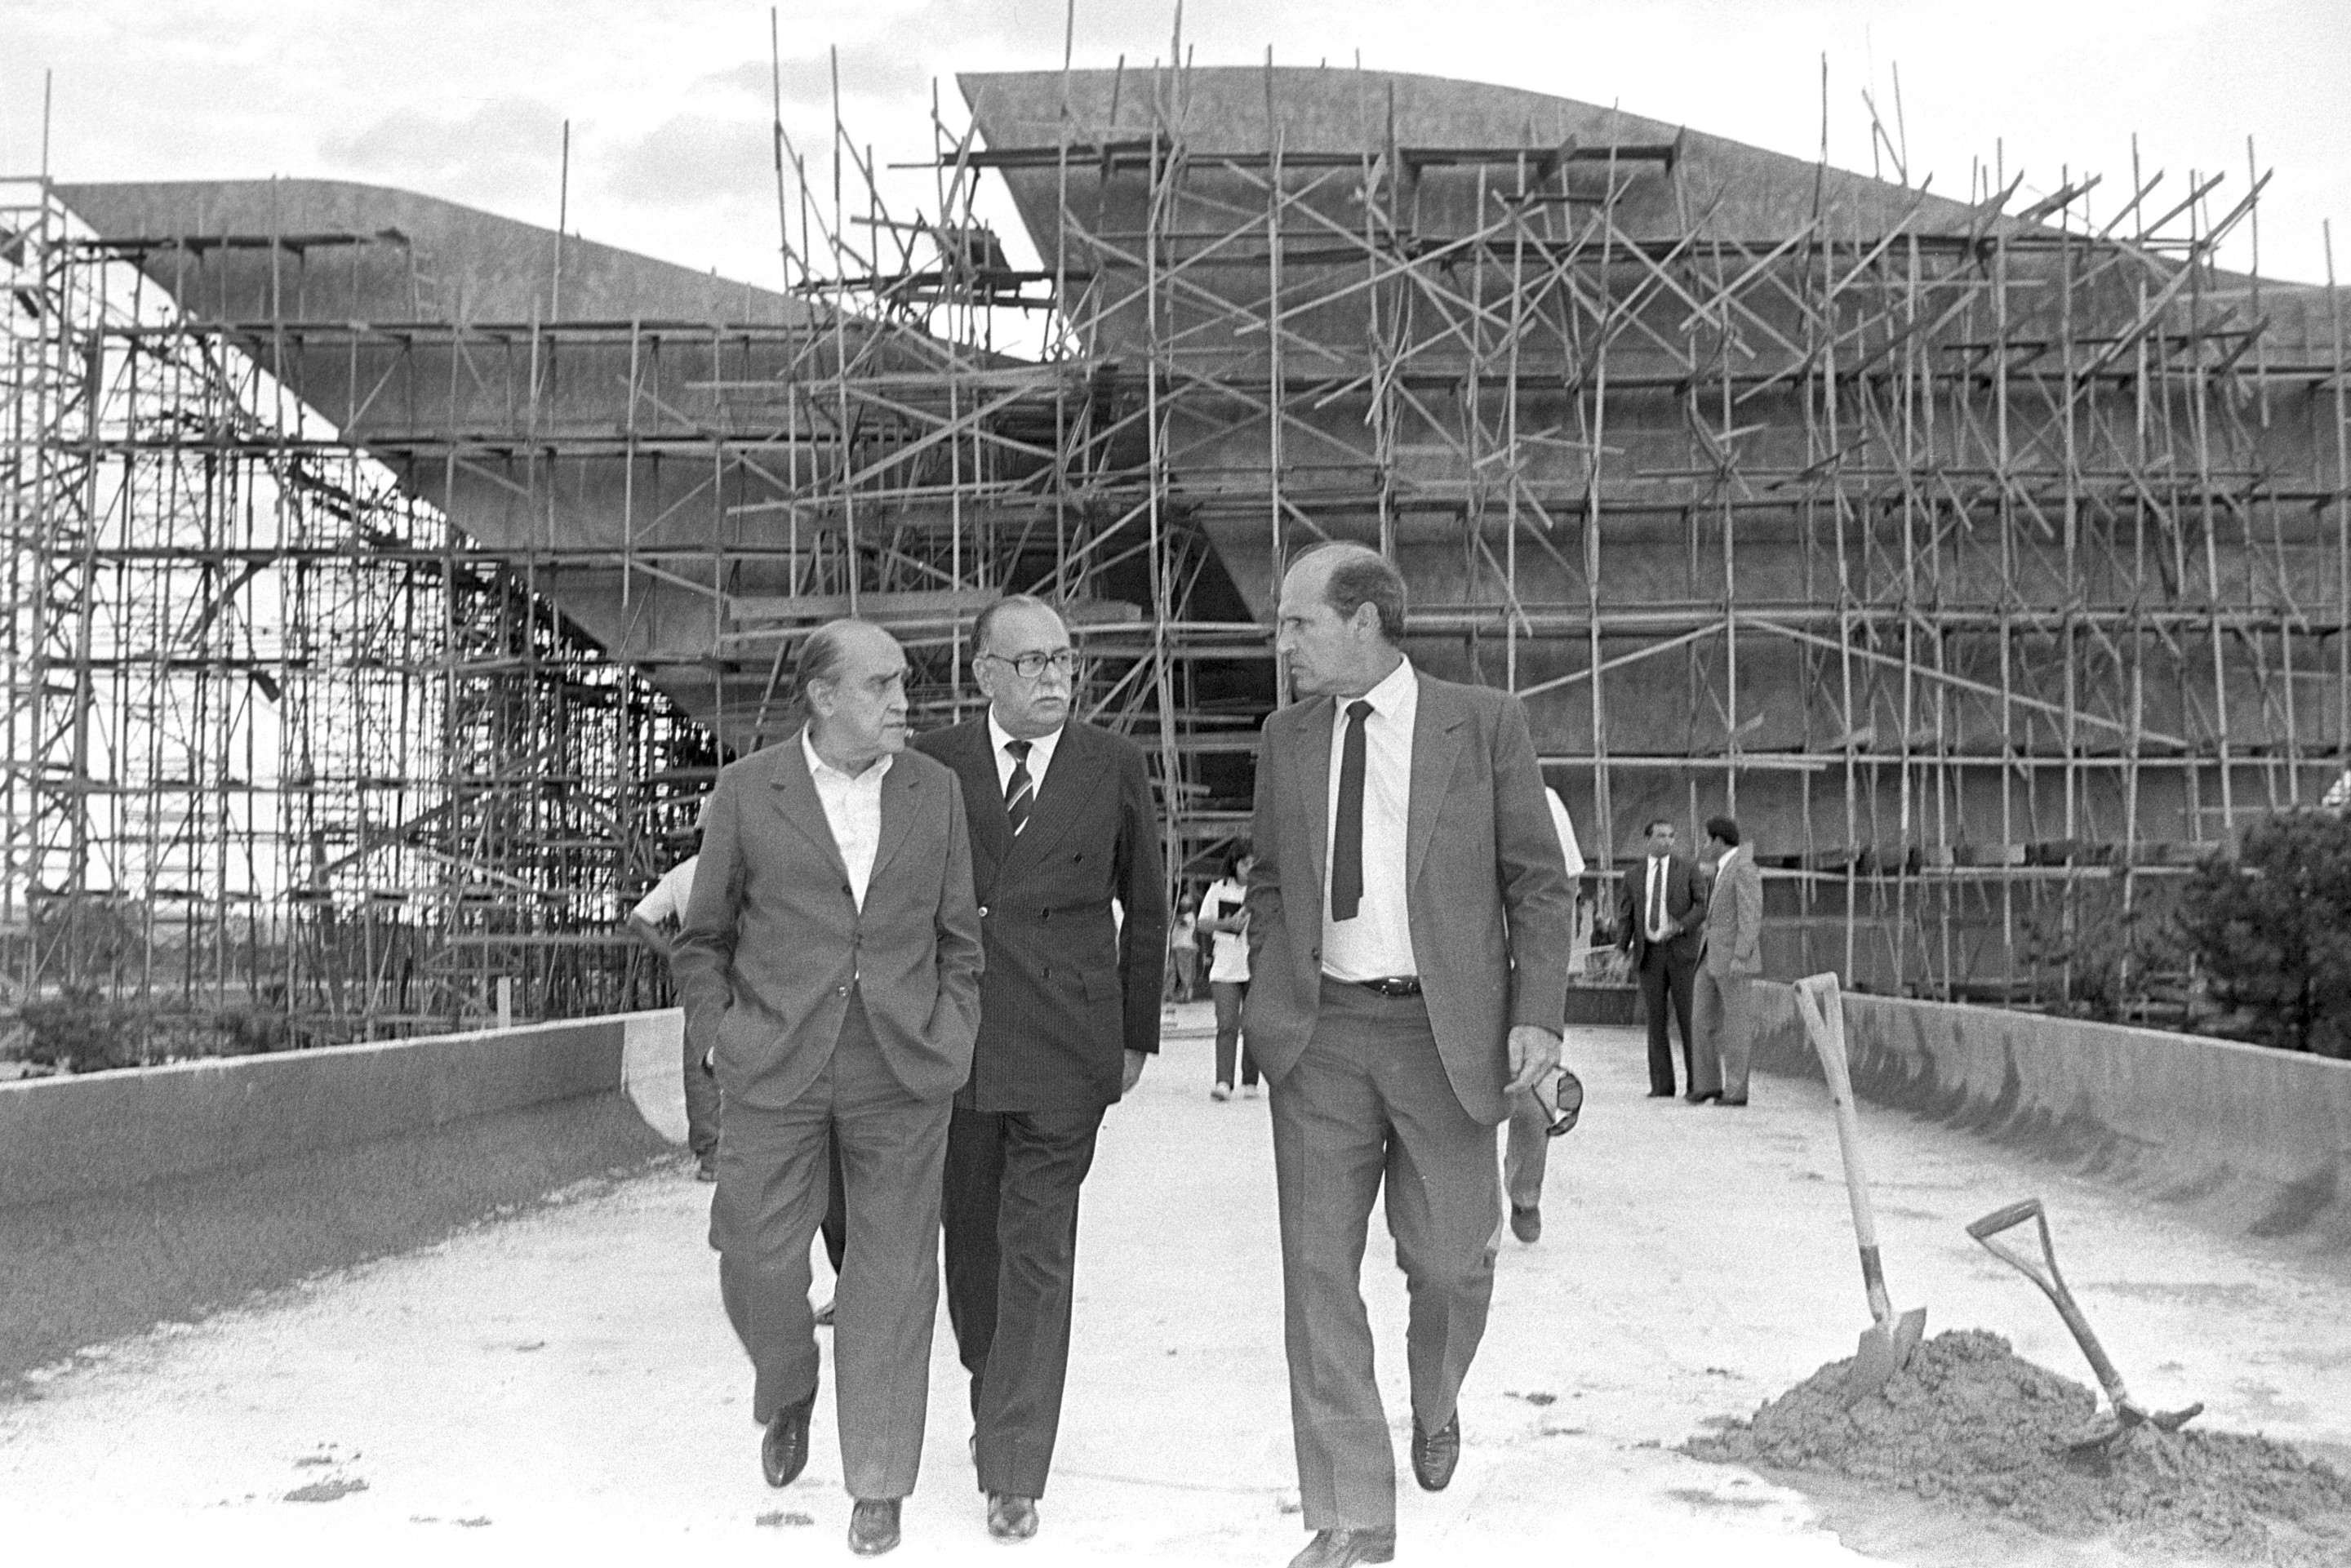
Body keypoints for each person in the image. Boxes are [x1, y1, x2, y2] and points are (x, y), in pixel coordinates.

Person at [1246, 543, 1573, 1568]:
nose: (1282, 640)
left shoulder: (1483, 724)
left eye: (1298, 621)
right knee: (1316, 1275)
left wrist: (1539, 1016)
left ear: (1365, 622)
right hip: (1322, 1036)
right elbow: (1264, 880)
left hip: (1446, 1037)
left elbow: (1539, 885)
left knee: (1446, 1262)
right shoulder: (1282, 737)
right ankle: (1353, 1515)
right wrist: (1267, 994)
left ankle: (1436, 1398)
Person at [672, 618, 984, 1560]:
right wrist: (723, 1037)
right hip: (774, 1064)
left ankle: (879, 1482)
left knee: (891, 1276)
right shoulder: (746, 790)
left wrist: (952, 1033)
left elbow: (959, 938)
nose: (904, 704)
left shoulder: (937, 791)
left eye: (902, 686)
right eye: (882, 687)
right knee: (756, 1254)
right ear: (822, 696)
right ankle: (787, 1379)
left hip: (901, 1068)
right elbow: (702, 940)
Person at [911, 594, 1167, 1546]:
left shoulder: (1112, 765)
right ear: (983, 674)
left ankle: (1015, 1469)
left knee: (1039, 1250)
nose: (1055, 678)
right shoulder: (934, 761)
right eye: (1031, 663)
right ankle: (993, 1376)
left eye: (1065, 660)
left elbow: (1146, 902)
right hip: (960, 1042)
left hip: (1067, 1044)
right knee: (971, 1248)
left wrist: (1135, 1033)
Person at [1501, 788, 1586, 1242]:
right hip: (1465, 973)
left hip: (1528, 974)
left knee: (1533, 1097)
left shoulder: (1546, 801)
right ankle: (1463, 1215)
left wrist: (1549, 976)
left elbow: (1564, 896)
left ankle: (1524, 1194)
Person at [627, 842, 719, 1180]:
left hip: (699, 972)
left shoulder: (682, 873)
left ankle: (712, 1158)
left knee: (700, 1063)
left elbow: (639, 919)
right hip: (744, 968)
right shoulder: (750, 867)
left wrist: (673, 955)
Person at [1617, 818, 1709, 1100]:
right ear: (1648, 839)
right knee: (1655, 1021)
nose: (1667, 841)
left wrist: (1680, 925)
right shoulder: (1633, 876)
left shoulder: (1688, 869)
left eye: (1671, 836)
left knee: (1688, 1019)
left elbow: (1702, 906)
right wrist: (1622, 949)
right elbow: (1627, 915)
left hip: (1681, 952)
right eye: (1660, 836)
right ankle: (1661, 1085)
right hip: (1650, 954)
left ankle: (1698, 1085)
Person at [1693, 815, 1763, 1107]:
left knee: (1736, 1026)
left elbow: (1751, 915)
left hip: (1733, 958)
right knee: (1700, 1019)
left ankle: (1736, 1090)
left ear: (1719, 841)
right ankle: (1707, 1084)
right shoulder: (1723, 868)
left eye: (1708, 840)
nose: (1705, 845)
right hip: (1710, 953)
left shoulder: (1744, 868)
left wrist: (1741, 955)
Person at [1198, 842, 1259, 1099]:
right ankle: (1224, 1081)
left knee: (1254, 1025)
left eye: (1253, 864)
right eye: (1245, 863)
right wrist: (1227, 923)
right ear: (1234, 864)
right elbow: (1202, 924)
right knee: (1227, 1025)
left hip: (1254, 964)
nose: (1249, 869)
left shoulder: (1260, 893)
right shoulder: (1217, 890)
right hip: (1225, 966)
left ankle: (1250, 1080)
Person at [1167, 899, 1200, 1004]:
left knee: (1184, 972)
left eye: (1184, 905)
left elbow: (1183, 923)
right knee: (1173, 971)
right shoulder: (1179, 916)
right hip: (1175, 946)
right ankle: (1172, 994)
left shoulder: (1190, 916)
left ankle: (1186, 995)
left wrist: (1173, 915)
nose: (1182, 906)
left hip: (1184, 946)